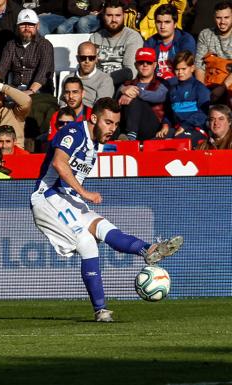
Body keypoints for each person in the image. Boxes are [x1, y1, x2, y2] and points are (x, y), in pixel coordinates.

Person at [30, 97, 183, 322]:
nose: (112, 129)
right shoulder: (73, 132)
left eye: (115, 124)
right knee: (87, 242)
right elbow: (59, 163)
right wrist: (85, 193)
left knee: (104, 228)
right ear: (94, 118)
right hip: (47, 196)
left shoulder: (95, 144)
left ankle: (148, 250)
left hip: (67, 198)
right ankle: (101, 310)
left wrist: (79, 194)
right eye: (108, 122)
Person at [158, 51, 210, 148]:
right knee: (154, 142)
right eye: (177, 69)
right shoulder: (172, 90)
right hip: (177, 129)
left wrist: (185, 126)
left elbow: (203, 113)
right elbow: (169, 113)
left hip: (196, 130)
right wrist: (165, 124)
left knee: (177, 143)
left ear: (192, 68)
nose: (180, 72)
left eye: (183, 69)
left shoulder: (200, 88)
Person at [116, 47, 168, 141]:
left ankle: (131, 136)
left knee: (135, 100)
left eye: (149, 62)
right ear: (135, 65)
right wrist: (122, 91)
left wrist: (136, 93)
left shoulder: (162, 83)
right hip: (127, 125)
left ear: (155, 65)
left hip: (153, 128)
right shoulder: (127, 84)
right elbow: (116, 102)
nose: (145, 65)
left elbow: (160, 97)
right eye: (141, 62)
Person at [89, 0, 143, 87]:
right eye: (109, 15)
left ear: (124, 16)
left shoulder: (133, 37)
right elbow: (89, 67)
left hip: (121, 85)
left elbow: (131, 72)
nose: (113, 20)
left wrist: (103, 81)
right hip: (95, 86)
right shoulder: (95, 37)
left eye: (118, 15)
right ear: (103, 16)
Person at [143, 4, 196, 81]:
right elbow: (144, 70)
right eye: (159, 22)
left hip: (178, 84)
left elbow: (185, 72)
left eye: (167, 22)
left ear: (175, 24)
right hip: (154, 85)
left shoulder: (185, 40)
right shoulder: (150, 42)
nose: (162, 26)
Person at [195, 1, 232, 104]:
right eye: (218, 18)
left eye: (226, 17)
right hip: (210, 81)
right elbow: (199, 66)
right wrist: (203, 92)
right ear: (213, 17)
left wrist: (222, 88)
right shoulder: (205, 34)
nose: (222, 22)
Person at [71, 41, 114, 108]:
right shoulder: (68, 78)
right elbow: (62, 103)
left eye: (91, 58)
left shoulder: (105, 80)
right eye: (83, 58)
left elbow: (101, 108)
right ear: (77, 58)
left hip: (90, 115)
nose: (87, 61)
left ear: (96, 59)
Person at [47, 77, 91, 142]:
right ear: (64, 94)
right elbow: (52, 142)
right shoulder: (56, 115)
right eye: (67, 92)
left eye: (75, 92)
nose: (71, 96)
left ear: (83, 93)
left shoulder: (92, 114)